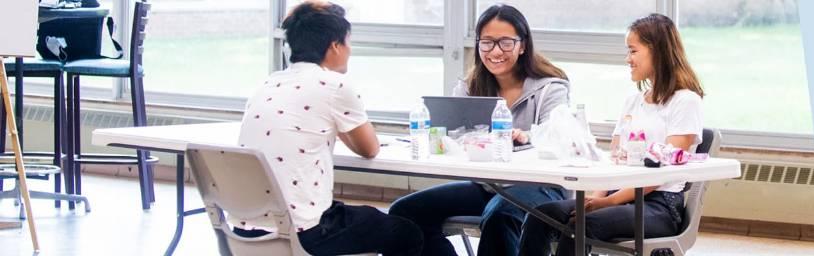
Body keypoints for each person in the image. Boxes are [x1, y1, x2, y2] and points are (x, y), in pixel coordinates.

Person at [234, 1, 423, 255]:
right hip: (304, 233)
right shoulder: (335, 85)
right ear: (335, 45)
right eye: (348, 42)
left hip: (245, 231)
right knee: (406, 233)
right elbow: (369, 149)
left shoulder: (268, 83)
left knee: (362, 217)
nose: (350, 49)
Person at [388, 4, 571, 256]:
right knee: (406, 211)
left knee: (500, 214)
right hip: (489, 185)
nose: (495, 51)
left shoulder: (551, 88)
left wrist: (527, 136)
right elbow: (454, 138)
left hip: (542, 187)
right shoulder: (468, 87)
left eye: (506, 42)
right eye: (487, 43)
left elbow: (557, 134)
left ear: (523, 45)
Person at [516, 13, 705, 256]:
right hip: (619, 196)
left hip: (659, 206)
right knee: (540, 216)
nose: (628, 59)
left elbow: (662, 172)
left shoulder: (686, 101)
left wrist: (607, 203)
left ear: (657, 51)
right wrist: (596, 198)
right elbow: (616, 160)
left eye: (633, 51)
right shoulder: (632, 102)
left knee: (580, 225)